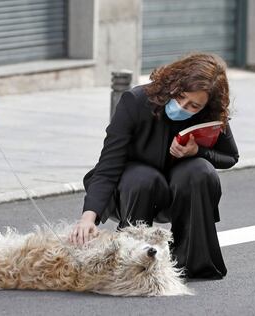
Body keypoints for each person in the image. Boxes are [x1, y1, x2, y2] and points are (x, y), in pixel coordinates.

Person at [69, 53, 239, 279]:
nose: (182, 106)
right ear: (174, 83)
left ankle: (191, 262)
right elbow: (108, 164)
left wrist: (198, 151)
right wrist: (88, 218)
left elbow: (230, 157)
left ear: (206, 105)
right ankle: (130, 258)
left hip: (179, 193)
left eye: (193, 105)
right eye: (180, 97)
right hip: (133, 191)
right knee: (143, 177)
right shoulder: (136, 101)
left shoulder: (211, 113)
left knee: (200, 170)